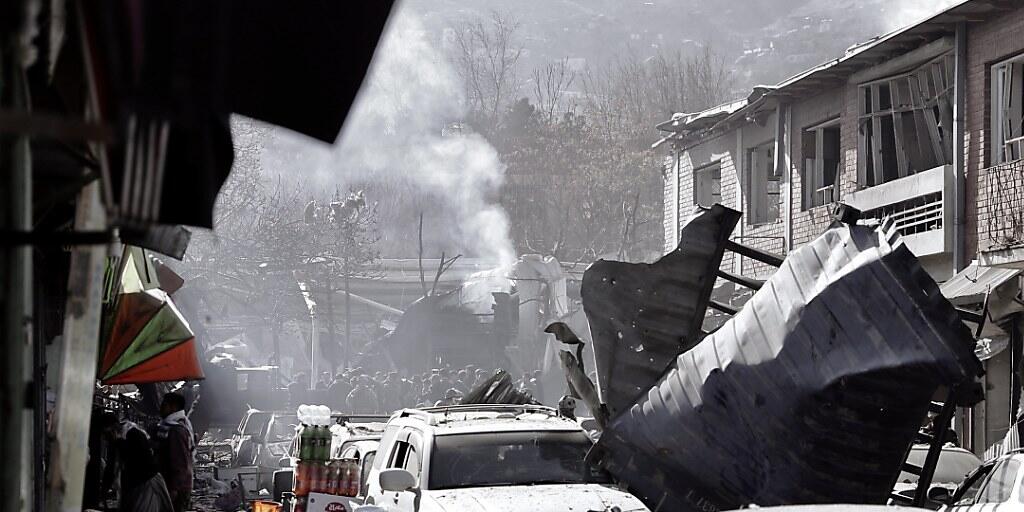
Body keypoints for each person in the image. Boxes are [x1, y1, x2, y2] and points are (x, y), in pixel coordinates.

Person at [98, 412, 174, 512]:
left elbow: (141, 463)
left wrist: (120, 444)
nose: (105, 438)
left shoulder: (134, 434)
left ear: (114, 427)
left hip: (147, 484)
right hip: (133, 487)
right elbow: (110, 468)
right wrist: (103, 492)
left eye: (106, 434)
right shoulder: (115, 440)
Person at [153, 392, 195, 512]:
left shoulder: (176, 430)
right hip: (176, 485)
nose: (161, 407)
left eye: (164, 404)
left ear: (173, 407)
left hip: (176, 487)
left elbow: (180, 462)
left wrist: (174, 489)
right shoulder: (176, 426)